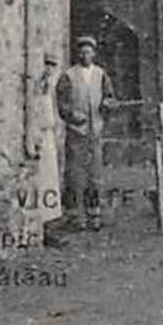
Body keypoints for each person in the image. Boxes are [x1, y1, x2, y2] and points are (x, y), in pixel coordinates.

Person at [55, 35, 117, 230]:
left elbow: (109, 97)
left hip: (95, 131)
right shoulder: (68, 76)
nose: (85, 54)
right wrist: (73, 116)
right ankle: (75, 216)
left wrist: (107, 104)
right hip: (76, 133)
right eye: (82, 51)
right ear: (78, 53)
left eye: (88, 51)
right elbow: (62, 103)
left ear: (94, 53)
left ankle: (94, 215)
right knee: (75, 174)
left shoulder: (100, 75)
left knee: (94, 175)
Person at [31, 52, 65, 244]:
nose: (49, 70)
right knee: (44, 180)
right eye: (47, 65)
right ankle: (43, 225)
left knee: (51, 180)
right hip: (41, 136)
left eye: (52, 66)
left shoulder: (48, 88)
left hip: (50, 136)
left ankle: (50, 223)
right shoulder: (36, 89)